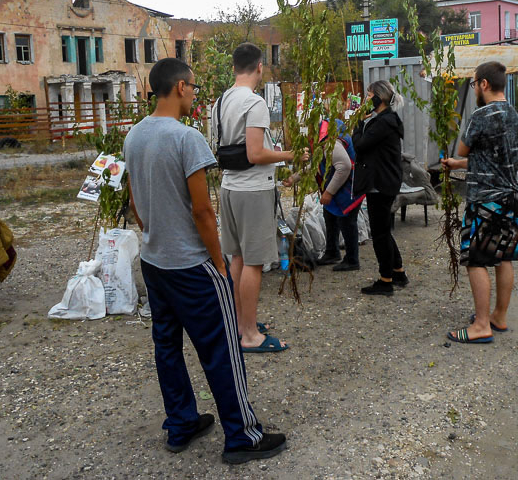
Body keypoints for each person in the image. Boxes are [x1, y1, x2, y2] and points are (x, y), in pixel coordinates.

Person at [124, 57, 286, 463]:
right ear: (179, 87)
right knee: (221, 347)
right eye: (193, 87)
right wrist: (217, 263)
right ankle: (242, 436)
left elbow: (134, 203)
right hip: (191, 266)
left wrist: (154, 234)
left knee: (167, 346)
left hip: (154, 261)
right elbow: (202, 211)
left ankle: (180, 423)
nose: (195, 94)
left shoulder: (134, 136)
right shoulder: (186, 137)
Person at [215, 42, 305, 353]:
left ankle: (241, 324)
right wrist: (291, 155)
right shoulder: (254, 103)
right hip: (252, 190)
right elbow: (255, 153)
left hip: (229, 187)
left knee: (238, 259)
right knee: (253, 263)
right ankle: (251, 335)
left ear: (234, 67)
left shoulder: (221, 100)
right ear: (260, 67)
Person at [442, 61, 518, 344]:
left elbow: (464, 147)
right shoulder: (514, 115)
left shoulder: (481, 115)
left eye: (475, 83)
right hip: (511, 198)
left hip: (485, 201)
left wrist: (456, 157)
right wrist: (458, 165)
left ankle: (480, 325)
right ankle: (498, 316)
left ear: (484, 84)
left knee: (476, 260)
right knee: (503, 258)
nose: (475, 88)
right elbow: (490, 159)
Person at [352, 79, 407, 296]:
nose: (365, 100)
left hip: (380, 184)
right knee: (384, 230)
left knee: (380, 233)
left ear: (379, 97)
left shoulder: (383, 122)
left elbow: (360, 146)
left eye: (368, 95)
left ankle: (386, 281)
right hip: (385, 181)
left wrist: (358, 123)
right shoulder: (386, 120)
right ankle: (398, 271)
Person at [290, 118, 364, 271]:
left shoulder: (331, 141)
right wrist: (293, 178)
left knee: (347, 222)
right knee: (330, 217)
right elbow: (316, 163)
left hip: (347, 189)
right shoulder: (323, 140)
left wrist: (329, 193)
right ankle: (332, 252)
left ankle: (352, 260)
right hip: (338, 188)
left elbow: (343, 167)